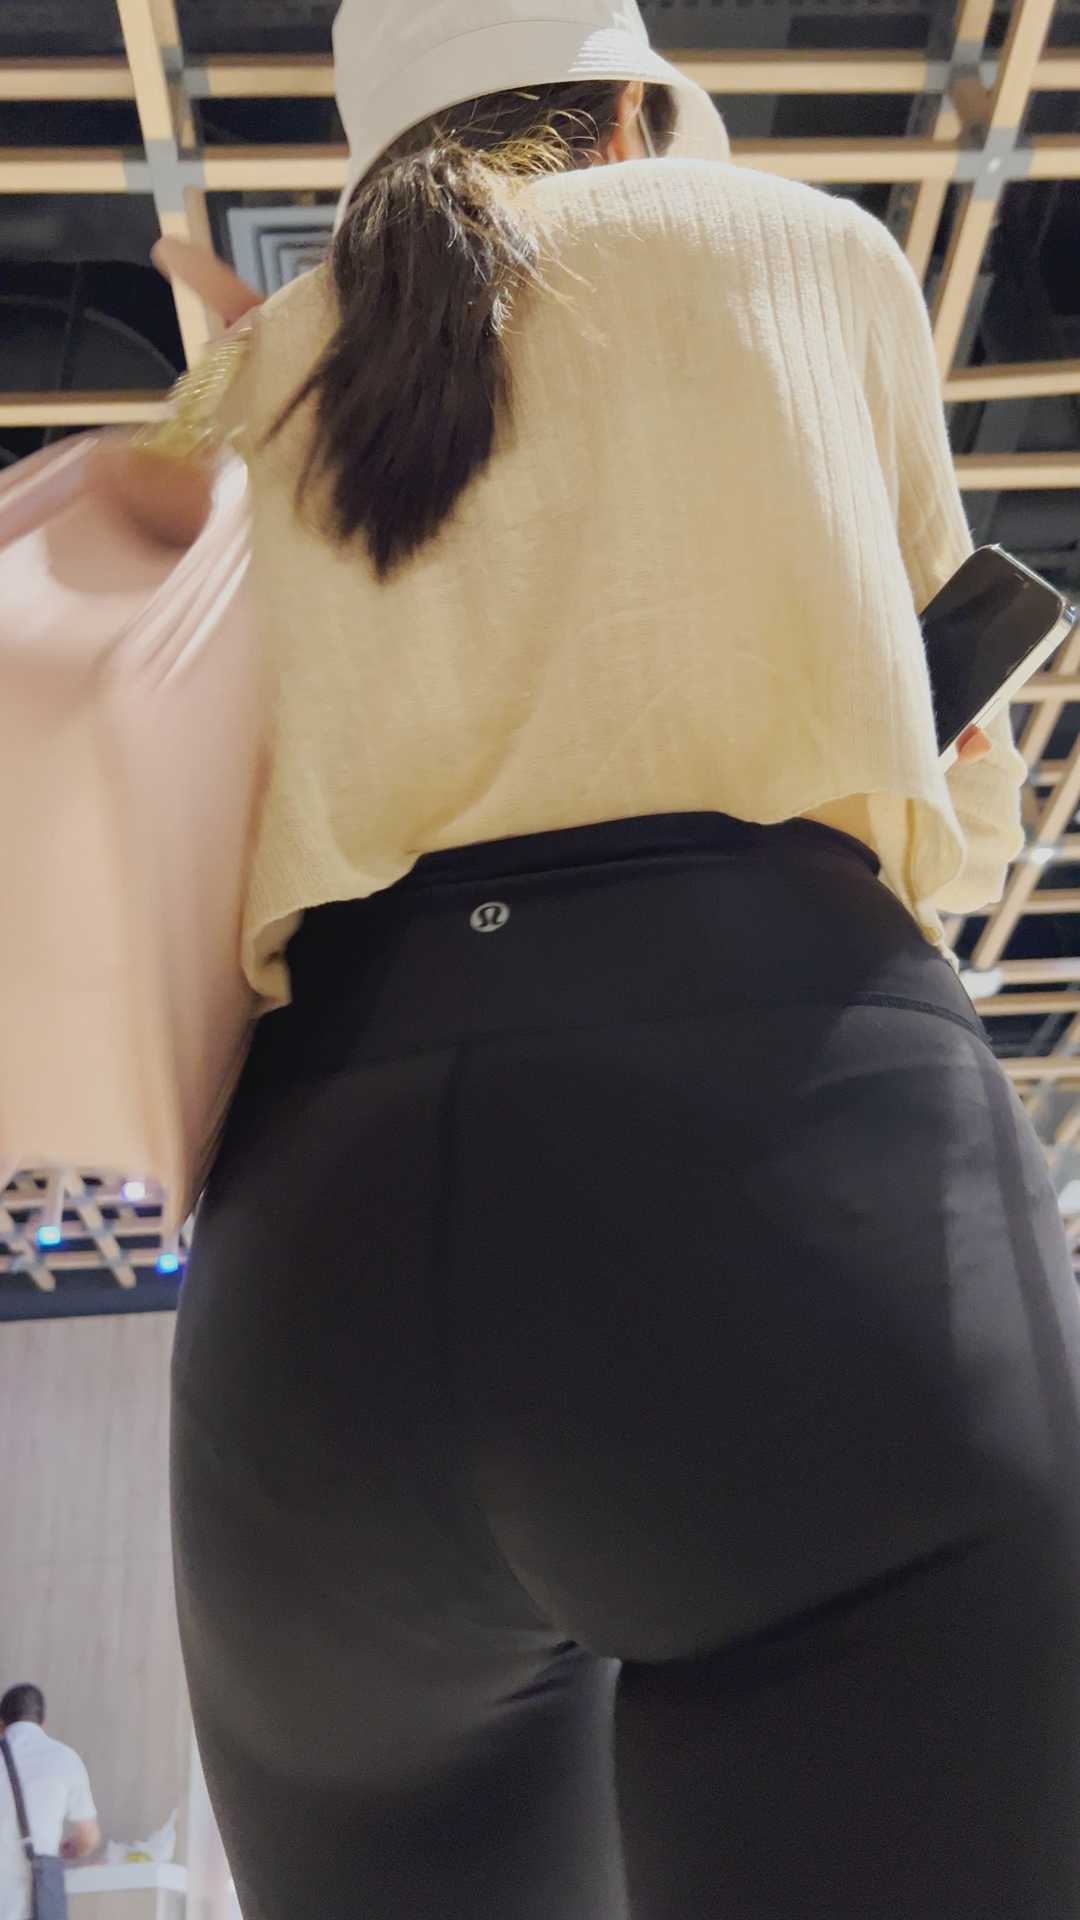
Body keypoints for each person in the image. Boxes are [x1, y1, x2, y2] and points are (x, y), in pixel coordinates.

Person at [104, 0, 1080, 1913]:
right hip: (780, 1161)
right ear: (633, 106)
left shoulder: (252, 387)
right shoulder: (800, 251)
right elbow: (946, 809)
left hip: (315, 1274)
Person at [0, 1687, 100, 1920]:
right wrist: (71, 1848)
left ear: (1, 1724)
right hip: (38, 1903)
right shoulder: (65, 1758)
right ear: (43, 1723)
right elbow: (88, 1837)